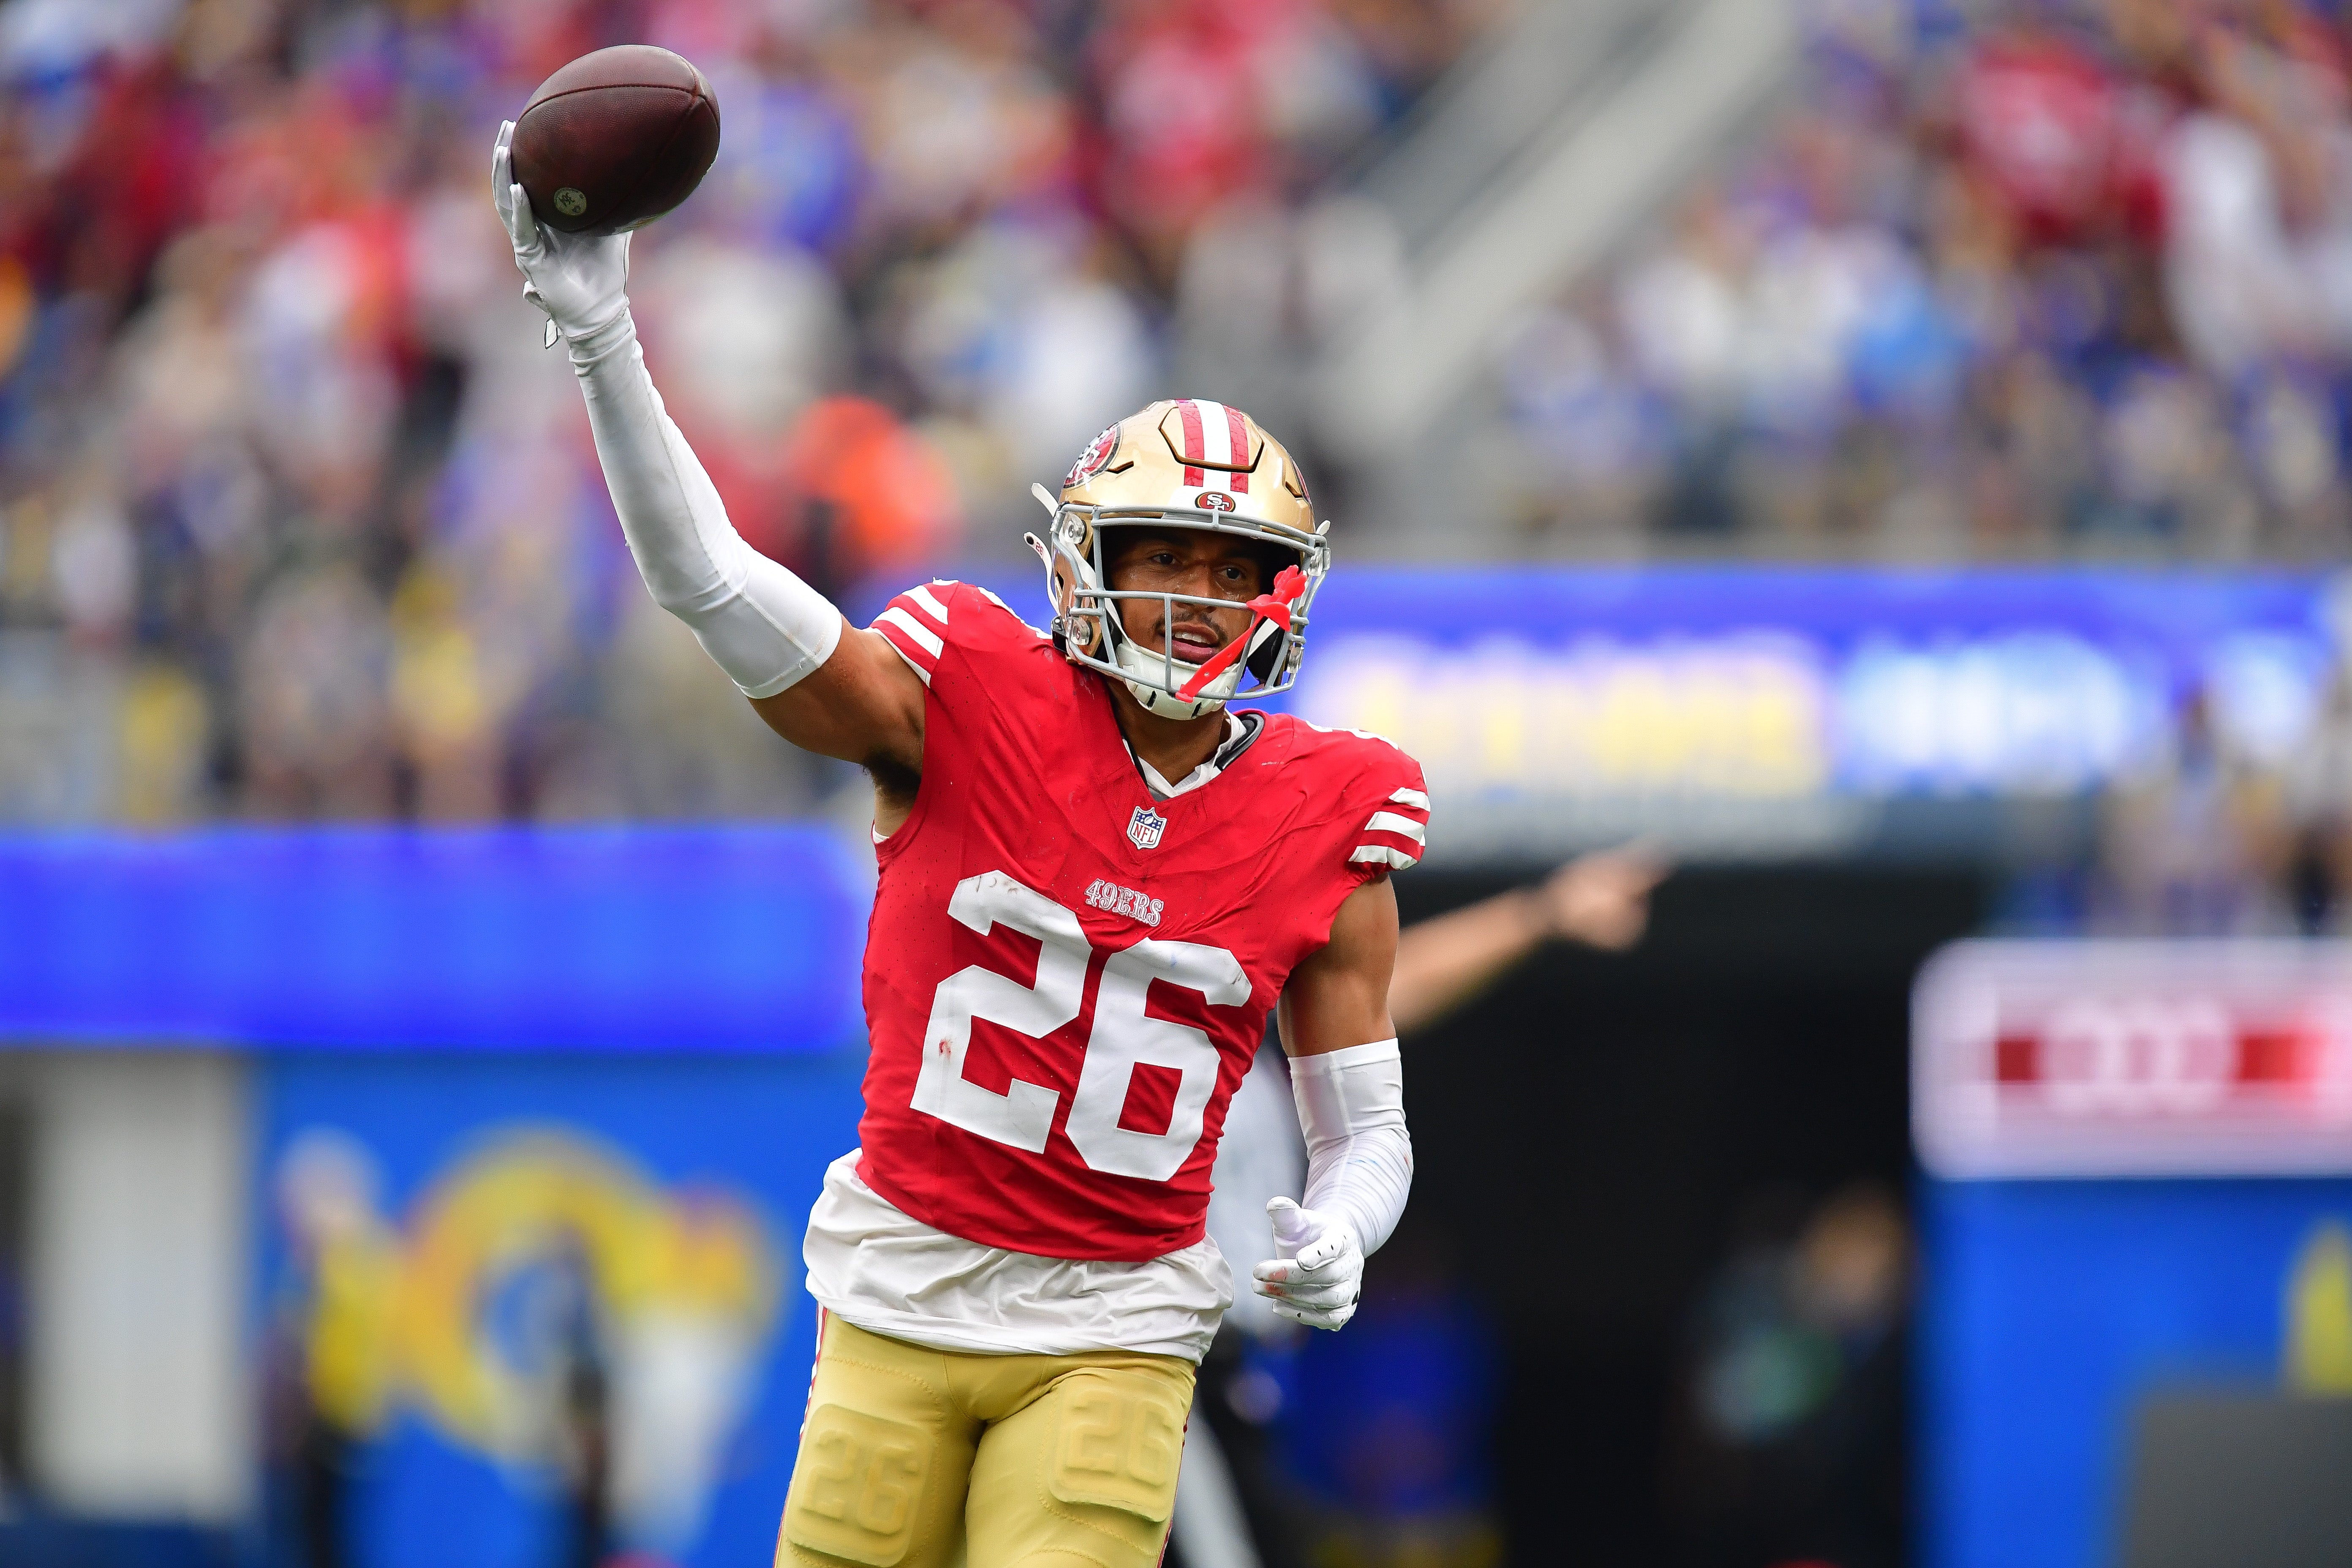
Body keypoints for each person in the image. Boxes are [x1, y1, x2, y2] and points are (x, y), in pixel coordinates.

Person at [493, 128, 1424, 1568]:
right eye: (1162, 555)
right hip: (899, 1286)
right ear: (1082, 563)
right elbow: (708, 580)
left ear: (1285, 597)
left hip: (1120, 1316)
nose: (1193, 597)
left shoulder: (1331, 807)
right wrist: (603, 333)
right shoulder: (963, 693)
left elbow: (1366, 1128)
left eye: (1231, 568)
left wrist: (1349, 1228)